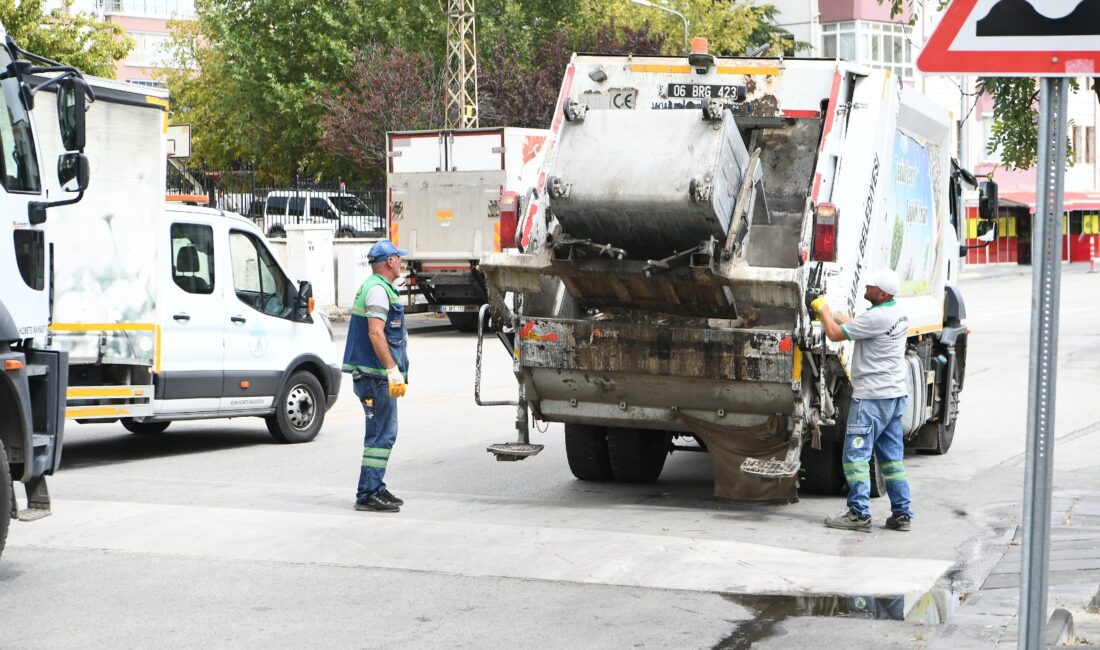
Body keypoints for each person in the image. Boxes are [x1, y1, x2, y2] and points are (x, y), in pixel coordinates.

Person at [812, 268, 913, 533]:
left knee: (856, 456)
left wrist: (822, 309)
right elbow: (856, 324)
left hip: (871, 399)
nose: (865, 290)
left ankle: (859, 513)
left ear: (881, 293)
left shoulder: (877, 317)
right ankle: (902, 514)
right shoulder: (896, 313)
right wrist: (831, 313)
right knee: (892, 460)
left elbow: (834, 335)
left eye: (869, 288)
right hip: (893, 397)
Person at [343, 240, 410, 513]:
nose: (402, 262)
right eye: (399, 258)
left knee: (381, 433)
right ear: (391, 262)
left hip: (375, 375)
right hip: (376, 376)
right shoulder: (378, 291)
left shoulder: (378, 287)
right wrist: (392, 371)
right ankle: (368, 492)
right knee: (381, 435)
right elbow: (375, 333)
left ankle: (375, 486)